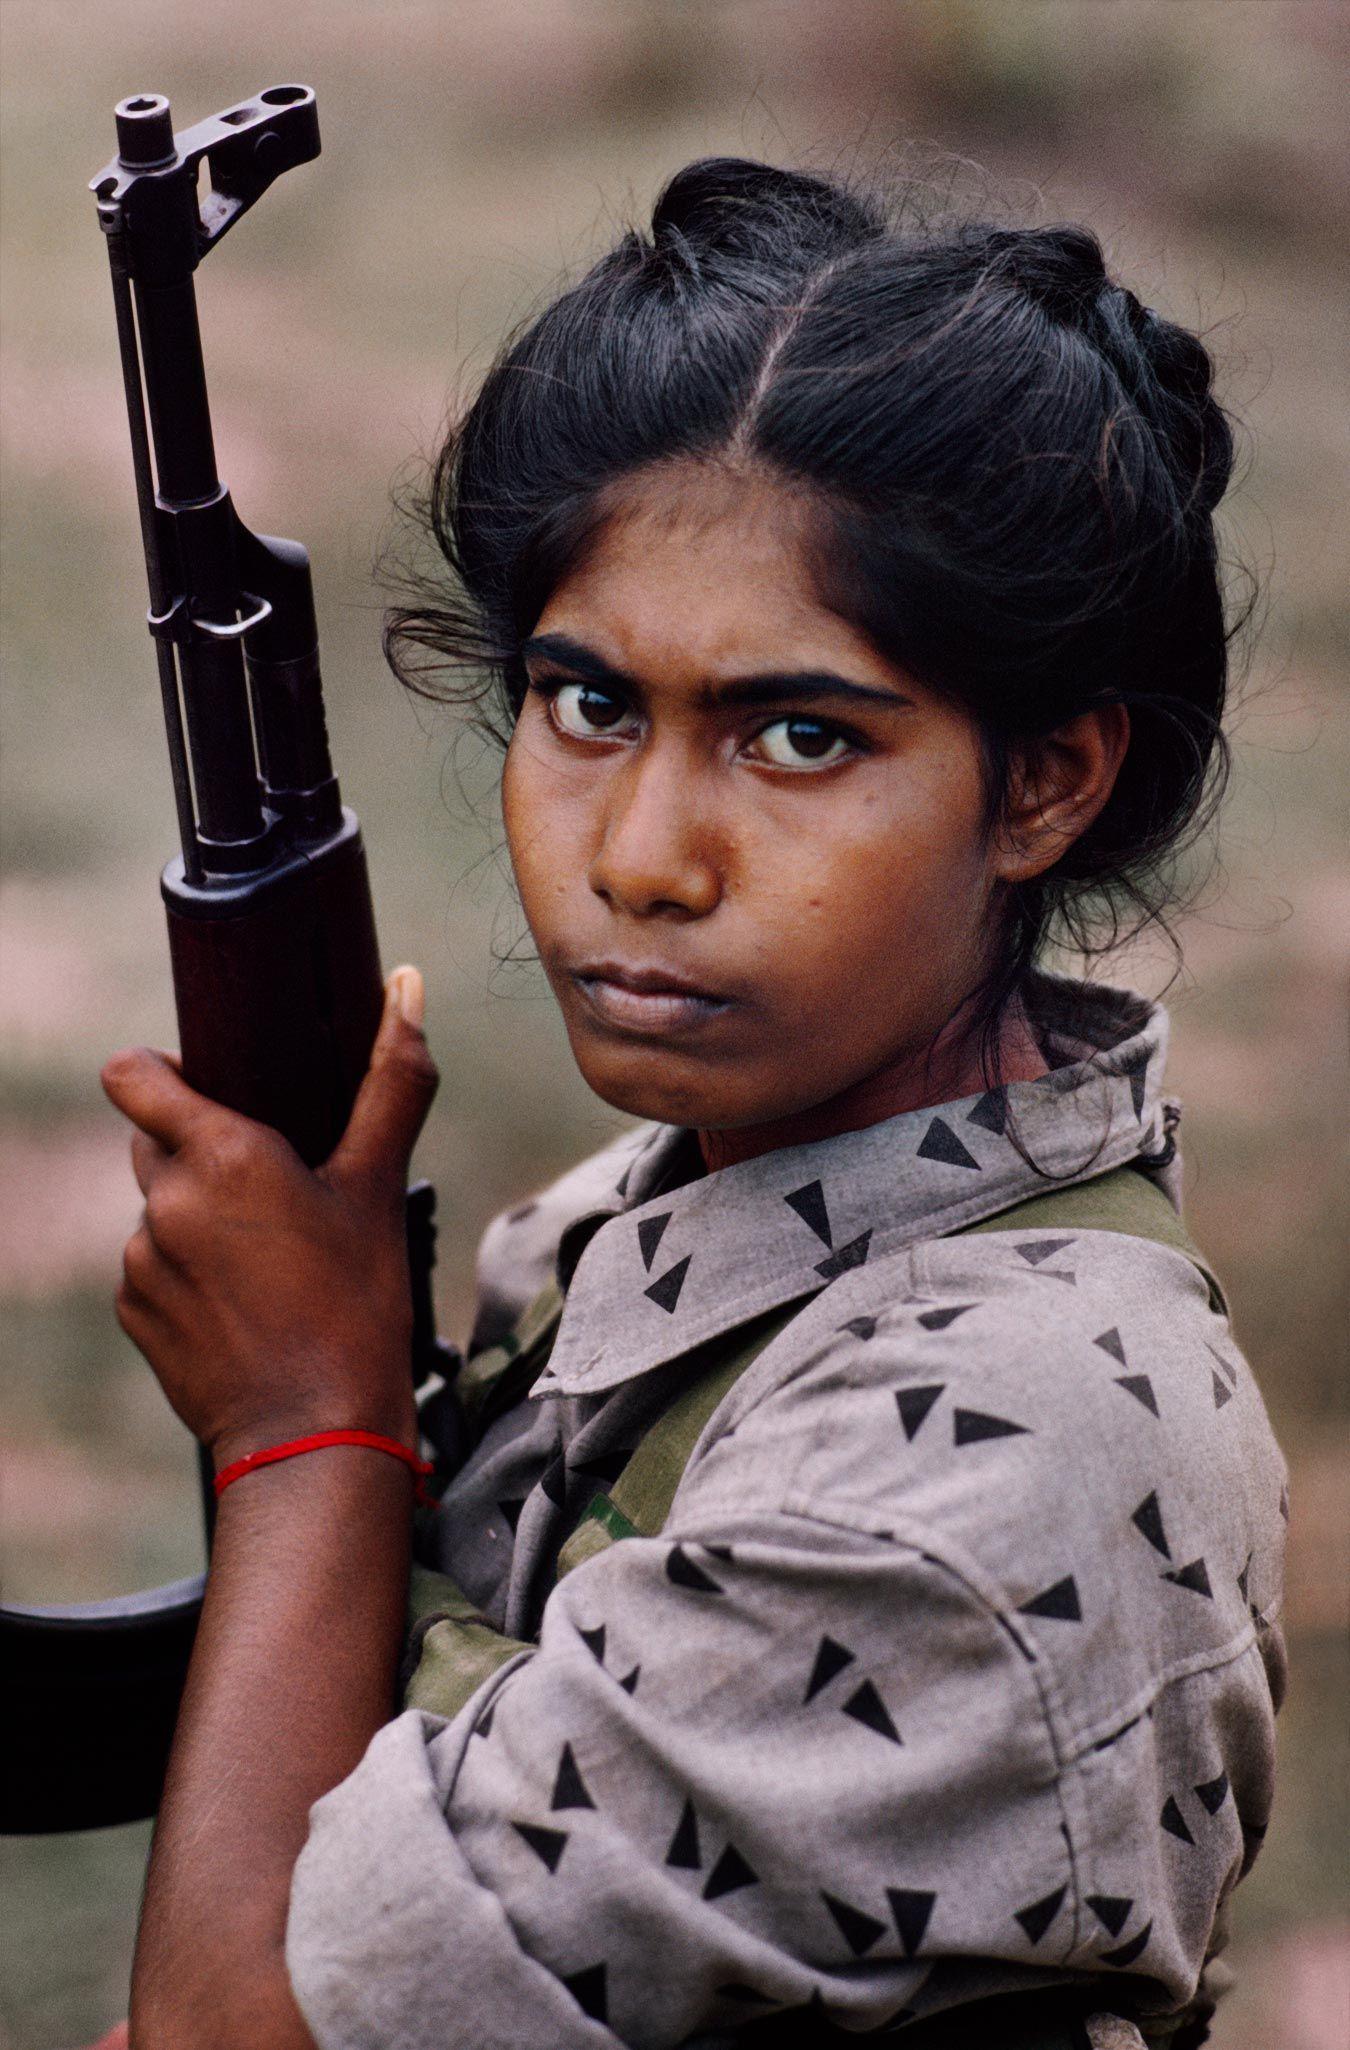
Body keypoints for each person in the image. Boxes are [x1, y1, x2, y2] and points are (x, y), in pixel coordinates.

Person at [100, 161, 1287, 2050]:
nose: (641, 856)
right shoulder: (646, 1215)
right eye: (583, 705)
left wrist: (303, 1428)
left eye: (798, 735)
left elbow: (228, 2029)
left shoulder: (992, 1447)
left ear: (1047, 781)